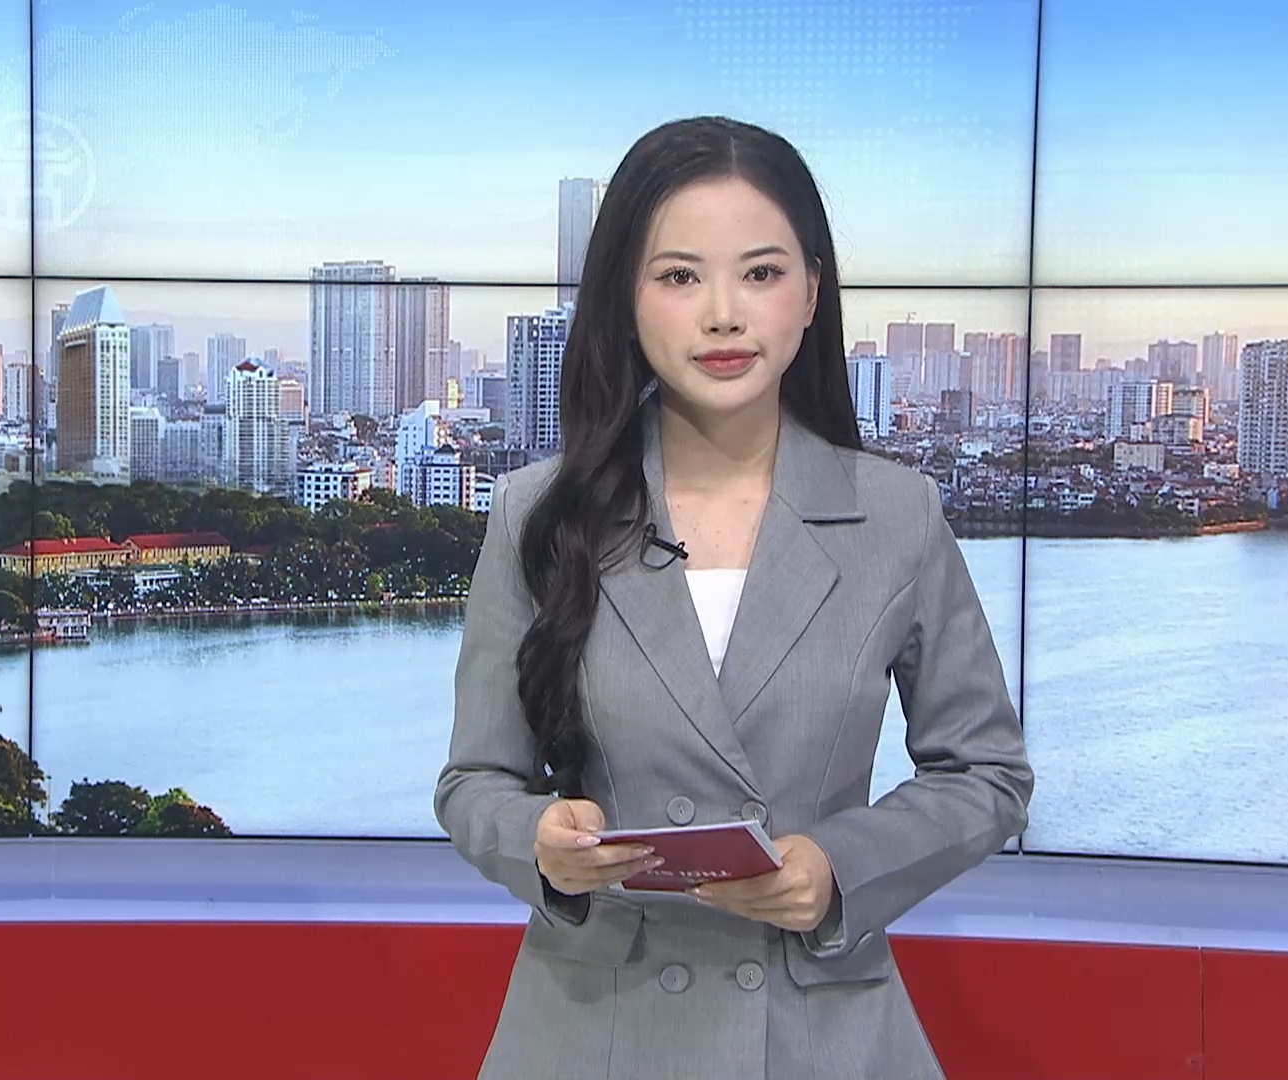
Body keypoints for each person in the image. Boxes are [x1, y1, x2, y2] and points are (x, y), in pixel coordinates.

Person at [433, 115, 1034, 1080]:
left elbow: (987, 775)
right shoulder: (537, 515)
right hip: (597, 1030)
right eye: (679, 277)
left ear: (812, 292)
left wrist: (839, 868)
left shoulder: (897, 516)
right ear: (628, 299)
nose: (723, 315)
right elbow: (474, 783)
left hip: (819, 1035)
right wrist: (539, 845)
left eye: (760, 273)